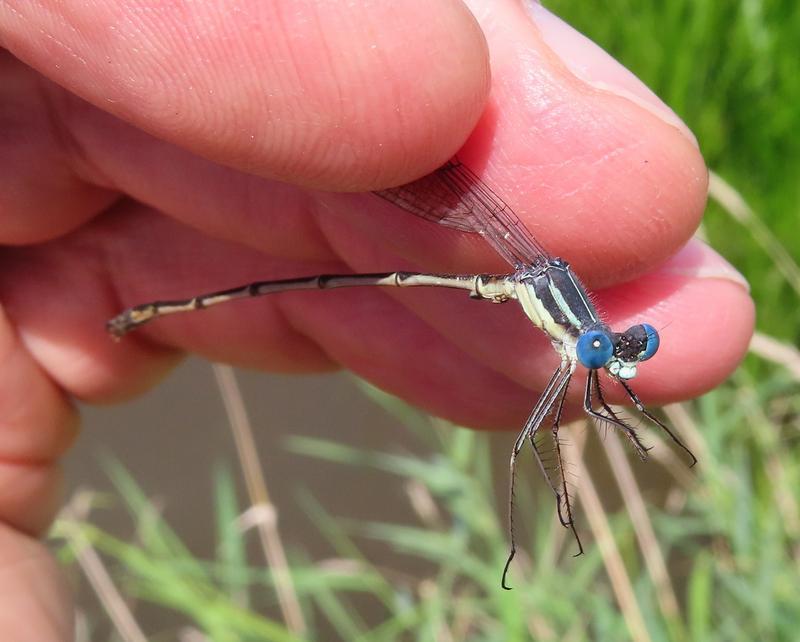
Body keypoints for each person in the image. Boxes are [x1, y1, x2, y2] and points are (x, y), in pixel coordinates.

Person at [0, 1, 753, 638]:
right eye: (607, 345)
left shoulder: (583, 347)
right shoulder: (569, 331)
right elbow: (548, 429)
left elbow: (592, 393)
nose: (605, 355)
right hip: (387, 126)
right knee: (532, 429)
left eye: (611, 348)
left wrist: (626, 400)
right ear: (581, 333)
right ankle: (155, 304)